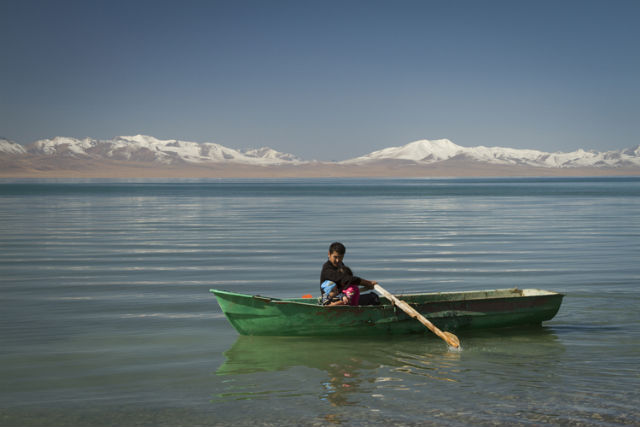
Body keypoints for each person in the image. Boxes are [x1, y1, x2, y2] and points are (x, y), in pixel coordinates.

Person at [320, 242, 380, 306]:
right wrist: (368, 283)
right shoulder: (327, 270)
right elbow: (346, 279)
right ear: (329, 254)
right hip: (333, 301)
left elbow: (349, 278)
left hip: (342, 297)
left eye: (340, 257)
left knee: (372, 296)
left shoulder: (340, 265)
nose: (337, 260)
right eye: (335, 257)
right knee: (373, 298)